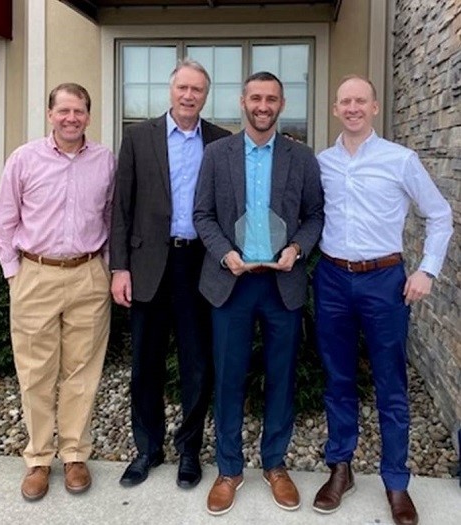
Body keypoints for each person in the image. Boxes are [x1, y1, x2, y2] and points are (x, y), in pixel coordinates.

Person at [312, 75, 453, 525]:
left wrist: (427, 269)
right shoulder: (323, 163)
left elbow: (440, 214)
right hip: (332, 278)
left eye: (361, 101)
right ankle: (341, 469)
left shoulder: (401, 160)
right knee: (337, 379)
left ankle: (396, 482)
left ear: (374, 107)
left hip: (384, 281)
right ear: (336, 109)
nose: (352, 107)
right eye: (345, 101)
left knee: (391, 385)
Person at [193, 71, 324, 515]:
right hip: (231, 282)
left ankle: (275, 463)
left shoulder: (301, 157)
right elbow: (202, 215)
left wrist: (297, 248)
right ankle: (229, 469)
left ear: (281, 105)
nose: (262, 105)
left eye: (271, 99)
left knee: (280, 376)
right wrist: (225, 254)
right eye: (255, 98)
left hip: (281, 284)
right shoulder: (217, 154)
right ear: (242, 102)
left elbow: (315, 215)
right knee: (229, 378)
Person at [110, 58, 231, 489]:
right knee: (146, 362)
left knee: (197, 364)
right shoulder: (138, 138)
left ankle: (189, 451)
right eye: (182, 87)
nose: (188, 95)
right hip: (147, 266)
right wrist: (119, 267)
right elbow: (121, 209)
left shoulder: (220, 141)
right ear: (171, 90)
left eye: (197, 89)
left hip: (199, 265)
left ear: (205, 95)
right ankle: (147, 448)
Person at [0, 83, 115, 501]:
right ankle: (40, 459)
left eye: (79, 111)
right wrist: (15, 275)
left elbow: (113, 218)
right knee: (35, 373)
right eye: (64, 110)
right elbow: (3, 222)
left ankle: (76, 454)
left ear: (88, 116)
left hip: (87, 275)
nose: (71, 119)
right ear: (50, 114)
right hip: (36, 274)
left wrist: (107, 269)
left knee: (82, 371)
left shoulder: (104, 161)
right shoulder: (24, 159)